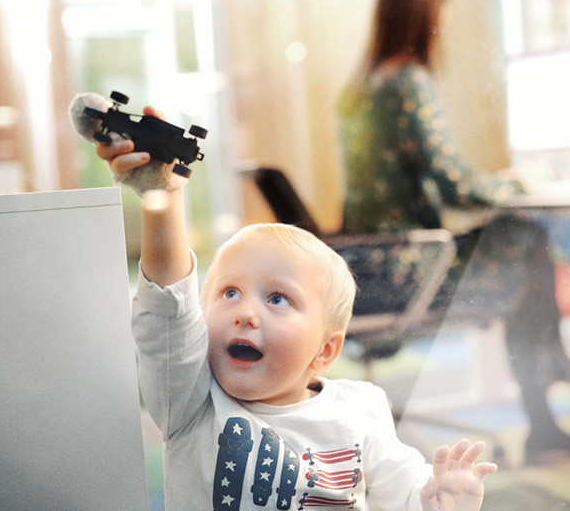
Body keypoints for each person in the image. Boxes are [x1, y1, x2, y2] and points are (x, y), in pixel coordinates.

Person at [95, 125, 497, 510]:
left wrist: (438, 498)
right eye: (229, 292)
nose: (246, 313)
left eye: (278, 298)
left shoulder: (361, 408)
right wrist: (162, 195)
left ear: (324, 351)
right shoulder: (191, 400)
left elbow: (403, 489)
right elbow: (167, 308)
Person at [337, 0, 570, 465]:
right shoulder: (407, 82)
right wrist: (519, 181)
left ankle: (553, 379)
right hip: (413, 270)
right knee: (529, 243)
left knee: (524, 250)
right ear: (419, 22)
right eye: (439, 24)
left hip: (369, 266)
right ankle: (545, 413)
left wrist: (493, 180)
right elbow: (454, 184)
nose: (441, 36)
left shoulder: (358, 92)